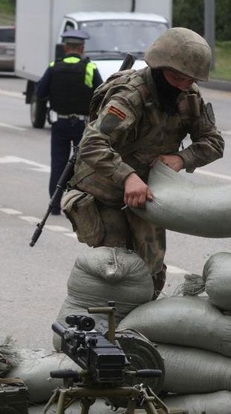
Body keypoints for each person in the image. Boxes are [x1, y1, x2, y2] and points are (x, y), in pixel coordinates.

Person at [66, 27, 225, 296]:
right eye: (177, 78)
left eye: (190, 80)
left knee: (151, 270)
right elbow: (92, 144)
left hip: (149, 193)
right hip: (107, 190)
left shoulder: (189, 97)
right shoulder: (130, 95)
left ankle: (137, 329)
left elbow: (213, 143)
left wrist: (180, 158)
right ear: (158, 68)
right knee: (117, 268)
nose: (183, 86)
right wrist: (127, 177)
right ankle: (107, 329)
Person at [37, 29, 103, 214]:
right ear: (82, 48)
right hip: (82, 125)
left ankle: (55, 205)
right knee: (81, 165)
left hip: (59, 123)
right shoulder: (90, 68)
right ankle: (78, 205)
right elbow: (102, 94)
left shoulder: (53, 67)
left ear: (65, 47)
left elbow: (40, 93)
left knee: (58, 163)